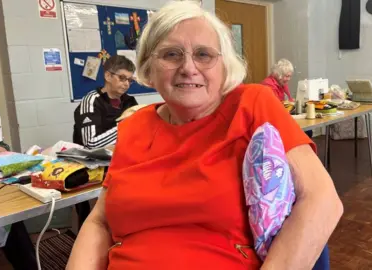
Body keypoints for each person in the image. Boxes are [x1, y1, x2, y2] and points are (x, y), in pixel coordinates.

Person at [67, 2, 343, 270]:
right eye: (172, 54)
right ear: (149, 68)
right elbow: (100, 222)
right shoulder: (134, 126)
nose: (188, 67)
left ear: (225, 67)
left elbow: (322, 199)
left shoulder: (251, 104)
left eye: (203, 54)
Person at [72, 55, 138, 227]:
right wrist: (125, 126)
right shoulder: (91, 100)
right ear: (108, 76)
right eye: (122, 78)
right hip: (92, 166)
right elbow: (91, 143)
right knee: (97, 218)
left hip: (120, 163)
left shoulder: (129, 101)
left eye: (130, 80)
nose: (126, 84)